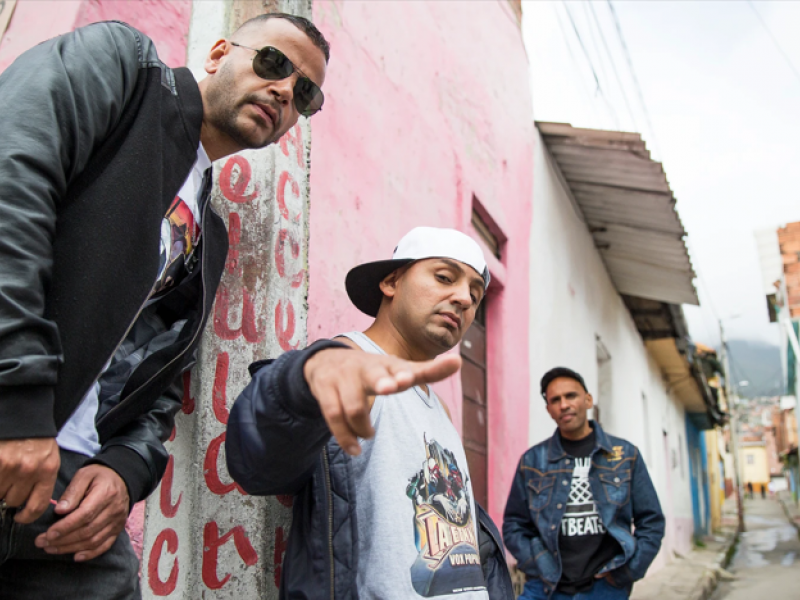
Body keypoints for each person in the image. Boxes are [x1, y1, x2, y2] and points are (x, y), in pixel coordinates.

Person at [0, 13, 328, 598]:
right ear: (220, 52)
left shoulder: (207, 234)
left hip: (65, 496)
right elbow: (10, 190)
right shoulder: (124, 68)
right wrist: (17, 405)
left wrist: (126, 468)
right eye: (274, 63)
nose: (284, 91)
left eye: (304, 93)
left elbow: (159, 376)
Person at [226, 227, 514, 599]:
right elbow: (257, 463)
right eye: (444, 277)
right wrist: (300, 384)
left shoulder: (438, 406)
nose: (463, 298)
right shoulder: (343, 364)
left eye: (475, 294)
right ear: (391, 282)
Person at [503, 368, 665, 600]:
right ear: (549, 410)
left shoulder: (625, 456)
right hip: (545, 587)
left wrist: (627, 572)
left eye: (571, 396)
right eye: (555, 400)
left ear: (588, 400)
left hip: (604, 588)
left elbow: (651, 521)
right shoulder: (533, 461)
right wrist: (535, 564)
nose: (564, 405)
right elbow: (514, 524)